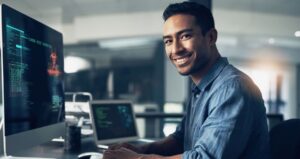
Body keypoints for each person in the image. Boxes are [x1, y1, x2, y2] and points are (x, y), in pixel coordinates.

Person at [103, 1, 270, 159]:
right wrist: (141, 149)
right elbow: (181, 138)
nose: (175, 49)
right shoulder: (201, 87)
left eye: (185, 36)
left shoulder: (232, 87)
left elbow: (204, 158)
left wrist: (138, 158)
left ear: (211, 37)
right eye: (168, 41)